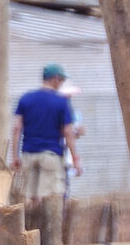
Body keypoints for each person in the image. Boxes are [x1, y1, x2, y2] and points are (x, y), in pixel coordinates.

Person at [10, 62, 81, 202]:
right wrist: (75, 159)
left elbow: (17, 128)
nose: (62, 83)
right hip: (51, 156)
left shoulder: (25, 98)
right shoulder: (61, 102)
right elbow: (67, 132)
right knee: (49, 200)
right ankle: (46, 225)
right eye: (62, 80)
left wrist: (15, 156)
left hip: (28, 154)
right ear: (56, 79)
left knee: (28, 199)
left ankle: (29, 224)